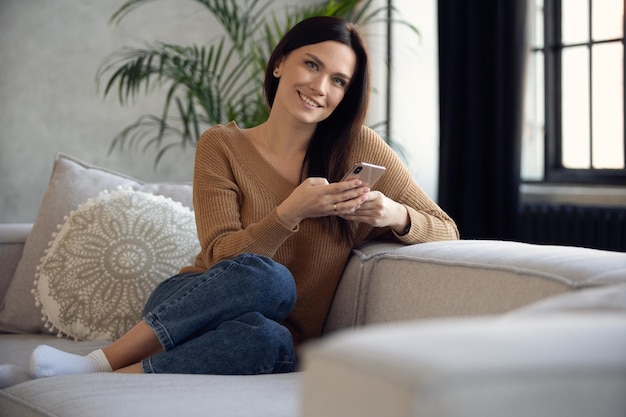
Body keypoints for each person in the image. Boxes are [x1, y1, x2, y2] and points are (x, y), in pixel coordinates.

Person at [1, 16, 458, 386]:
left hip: (264, 335)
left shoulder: (360, 149)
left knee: (271, 341)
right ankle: (100, 363)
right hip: (192, 301)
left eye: (339, 81)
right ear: (280, 64)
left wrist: (395, 214)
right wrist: (291, 212)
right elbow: (222, 256)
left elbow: (446, 229)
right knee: (271, 280)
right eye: (312, 65)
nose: (321, 87)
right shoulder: (221, 145)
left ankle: (98, 378)